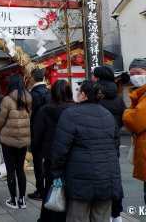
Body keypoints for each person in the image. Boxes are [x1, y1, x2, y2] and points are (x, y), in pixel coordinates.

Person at [52, 80, 122, 221]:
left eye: (78, 90)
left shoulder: (70, 114)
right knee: (101, 217)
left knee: (78, 217)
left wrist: (57, 172)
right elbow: (115, 147)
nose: (76, 93)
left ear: (83, 95)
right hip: (107, 176)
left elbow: (60, 149)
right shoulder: (108, 115)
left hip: (80, 176)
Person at [32, 79, 75, 222]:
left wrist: (38, 151)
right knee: (70, 189)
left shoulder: (45, 109)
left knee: (51, 187)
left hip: (51, 155)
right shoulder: (75, 109)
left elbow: (37, 133)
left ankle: (47, 217)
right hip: (71, 155)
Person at [92, 65, 126, 221]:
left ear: (97, 78)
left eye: (93, 76)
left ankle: (99, 212)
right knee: (114, 178)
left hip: (94, 144)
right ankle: (116, 213)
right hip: (114, 143)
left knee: (96, 178)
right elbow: (124, 119)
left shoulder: (94, 97)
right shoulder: (118, 99)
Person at [0, 73, 32, 209]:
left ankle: (13, 200)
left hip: (8, 139)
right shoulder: (29, 97)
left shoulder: (6, 99)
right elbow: (30, 115)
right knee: (20, 169)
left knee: (10, 170)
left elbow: (1, 119)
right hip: (23, 139)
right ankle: (22, 200)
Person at [122, 58, 146, 206]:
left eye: (139, 73)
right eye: (132, 74)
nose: (135, 77)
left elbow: (134, 121)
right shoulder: (140, 94)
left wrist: (126, 113)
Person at [28, 68, 51, 201]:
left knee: (37, 161)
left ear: (32, 78)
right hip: (49, 131)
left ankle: (40, 190)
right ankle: (48, 189)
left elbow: (32, 114)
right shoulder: (49, 92)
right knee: (47, 161)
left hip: (37, 131)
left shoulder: (33, 94)